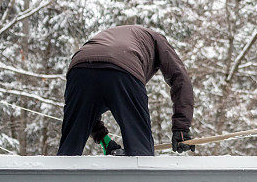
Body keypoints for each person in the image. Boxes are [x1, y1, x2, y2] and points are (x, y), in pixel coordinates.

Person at [57, 25, 196, 156]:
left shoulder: (112, 36)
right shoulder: (157, 39)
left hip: (79, 68)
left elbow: (85, 111)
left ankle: (58, 179)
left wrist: (105, 140)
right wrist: (181, 129)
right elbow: (180, 79)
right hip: (123, 65)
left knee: (69, 148)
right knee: (140, 151)